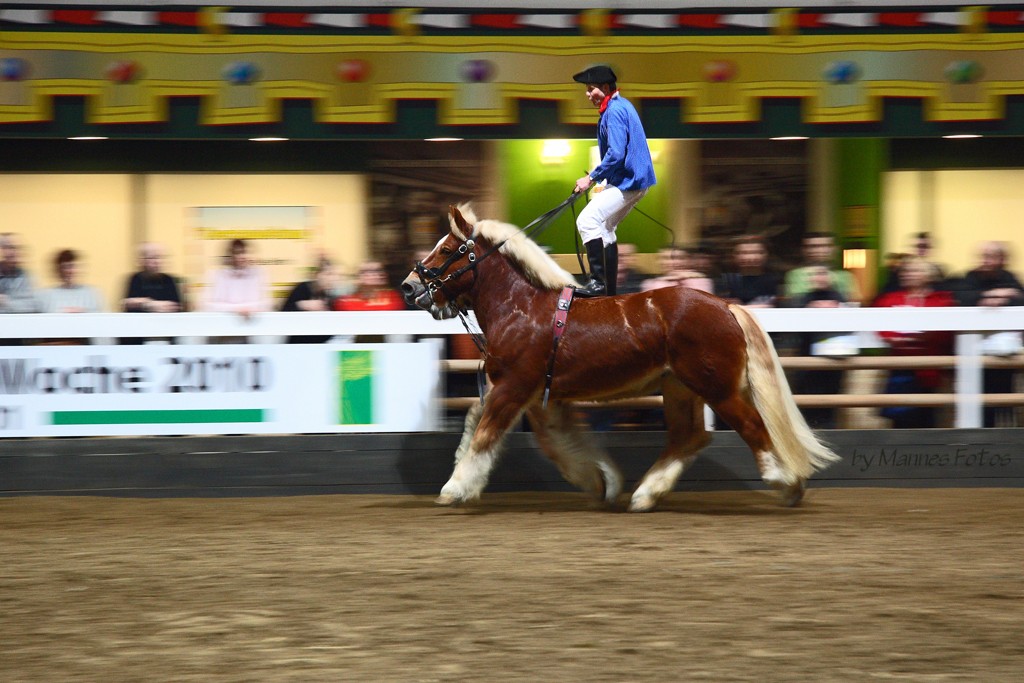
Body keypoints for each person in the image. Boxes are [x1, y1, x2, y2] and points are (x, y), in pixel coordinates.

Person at [571, 64, 657, 297]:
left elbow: (616, 153)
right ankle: (608, 289)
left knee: (587, 221)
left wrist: (590, 178)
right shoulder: (620, 106)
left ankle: (598, 283)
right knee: (606, 228)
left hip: (628, 182)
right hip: (633, 182)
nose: (588, 94)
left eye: (591, 89)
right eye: (587, 90)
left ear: (606, 87)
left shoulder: (614, 111)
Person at [874, 258, 955, 428]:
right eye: (905, 271)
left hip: (929, 369)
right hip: (899, 368)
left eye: (914, 270)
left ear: (929, 275)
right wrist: (896, 338)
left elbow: (944, 331)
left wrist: (925, 337)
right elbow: (880, 324)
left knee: (926, 417)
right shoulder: (890, 298)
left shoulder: (940, 300)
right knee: (899, 419)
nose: (907, 274)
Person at [953, 241, 1024, 427]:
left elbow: (1020, 298)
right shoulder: (971, 276)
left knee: (1005, 399)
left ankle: (1008, 441)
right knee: (979, 399)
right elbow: (964, 297)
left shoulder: (1009, 277)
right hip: (976, 351)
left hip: (1005, 355)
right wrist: (996, 295)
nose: (985, 261)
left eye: (990, 256)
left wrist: (1005, 295)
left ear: (1001, 259)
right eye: (983, 256)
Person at [788, 265, 848, 429]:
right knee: (806, 401)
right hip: (807, 358)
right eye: (816, 274)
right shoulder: (802, 298)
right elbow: (793, 322)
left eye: (824, 273)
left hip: (834, 358)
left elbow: (850, 321)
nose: (820, 278)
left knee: (830, 403)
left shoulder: (840, 297)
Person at [201, 238, 271, 319]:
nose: (243, 256)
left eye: (245, 252)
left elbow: (266, 305)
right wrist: (237, 309)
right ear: (230, 255)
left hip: (253, 324)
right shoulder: (217, 275)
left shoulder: (259, 273)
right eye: (238, 253)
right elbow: (207, 306)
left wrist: (241, 309)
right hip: (223, 324)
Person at [783, 231, 861, 304]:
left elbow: (854, 303)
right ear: (804, 250)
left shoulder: (845, 276)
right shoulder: (795, 275)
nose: (818, 250)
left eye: (825, 246)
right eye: (812, 246)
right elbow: (791, 304)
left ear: (835, 248)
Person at [281, 258, 342, 344]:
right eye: (329, 274)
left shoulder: (329, 296)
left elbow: (331, 330)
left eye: (336, 275)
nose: (333, 279)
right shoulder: (302, 288)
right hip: (297, 345)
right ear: (317, 275)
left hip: (318, 346)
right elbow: (283, 313)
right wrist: (302, 305)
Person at [716, 235, 781, 308]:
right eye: (744, 253)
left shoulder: (773, 280)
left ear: (766, 255)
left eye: (757, 252)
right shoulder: (725, 280)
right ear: (734, 256)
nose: (750, 257)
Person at [122, 242, 182, 314]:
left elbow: (176, 306)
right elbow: (125, 303)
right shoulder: (135, 279)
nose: (157, 261)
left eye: (160, 257)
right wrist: (149, 304)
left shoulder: (168, 280)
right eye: (152, 257)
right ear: (142, 260)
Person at [38, 249, 103, 314]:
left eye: (72, 266)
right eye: (65, 267)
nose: (69, 271)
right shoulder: (47, 296)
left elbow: (101, 319)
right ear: (58, 270)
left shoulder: (91, 294)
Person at [641, 246, 714, 293]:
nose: (674, 262)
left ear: (687, 260)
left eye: (679, 258)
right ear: (659, 261)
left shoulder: (701, 281)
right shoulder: (650, 284)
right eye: (666, 258)